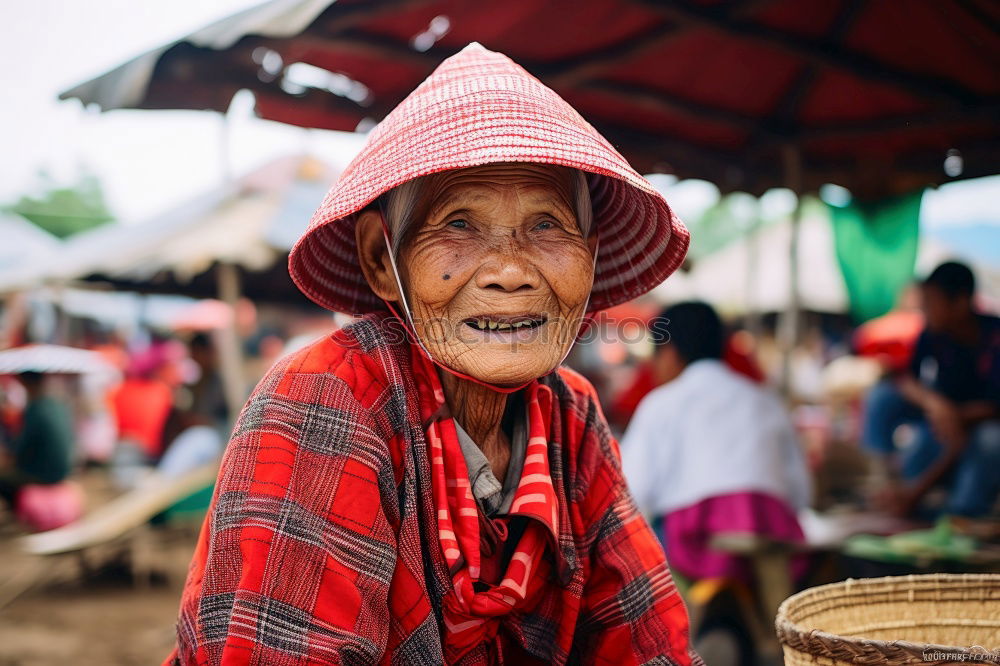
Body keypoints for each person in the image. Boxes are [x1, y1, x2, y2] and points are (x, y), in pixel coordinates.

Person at [166, 44, 701, 665]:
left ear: (592, 252)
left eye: (548, 225)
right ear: (380, 260)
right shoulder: (329, 395)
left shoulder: (570, 413)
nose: (509, 271)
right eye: (459, 224)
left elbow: (646, 640)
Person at [621, 302, 812, 583]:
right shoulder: (765, 400)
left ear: (669, 353)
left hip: (694, 543)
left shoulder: (661, 404)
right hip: (772, 535)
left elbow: (632, 492)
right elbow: (800, 493)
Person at [862, 261, 1000, 518]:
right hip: (943, 417)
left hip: (982, 423)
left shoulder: (994, 337)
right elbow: (907, 380)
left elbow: (994, 407)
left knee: (989, 440)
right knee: (883, 396)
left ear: (960, 302)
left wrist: (954, 416)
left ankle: (964, 512)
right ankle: (884, 482)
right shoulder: (934, 334)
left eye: (930, 302)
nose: (924, 310)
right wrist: (936, 405)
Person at [0, 372, 75, 509]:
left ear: (25, 383)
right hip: (65, 471)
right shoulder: (59, 405)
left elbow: (20, 449)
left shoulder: (35, 408)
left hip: (43, 475)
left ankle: (21, 517)